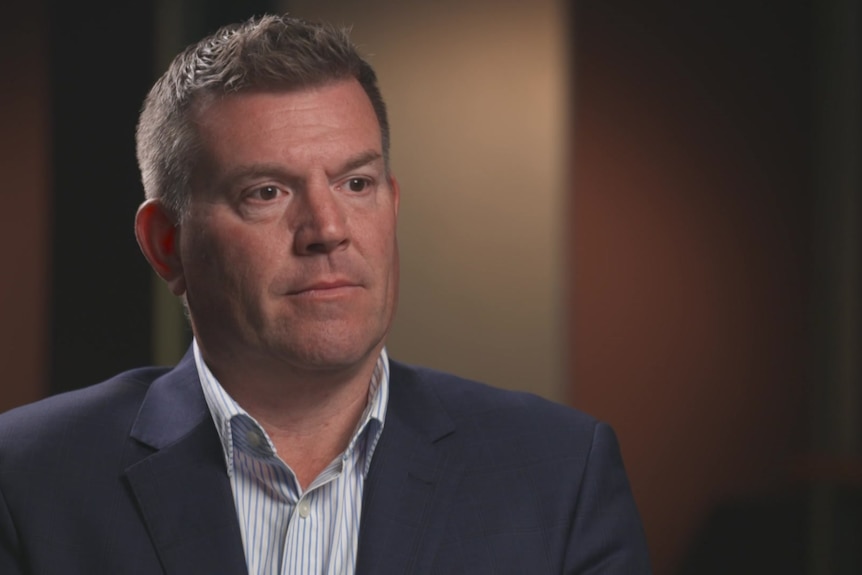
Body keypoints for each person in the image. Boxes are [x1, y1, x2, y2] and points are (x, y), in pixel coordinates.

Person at [0, 14, 650, 575]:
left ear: (392, 206)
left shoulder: (560, 474)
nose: (328, 230)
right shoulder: (28, 481)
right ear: (166, 243)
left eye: (356, 184)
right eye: (266, 192)